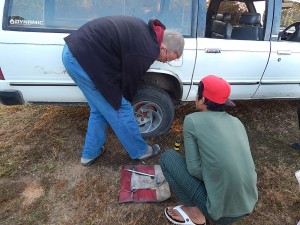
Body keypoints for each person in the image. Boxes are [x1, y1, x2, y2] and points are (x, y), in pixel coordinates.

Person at [62, 16, 184, 166]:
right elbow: (129, 82)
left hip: (75, 51)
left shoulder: (147, 33)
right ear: (164, 47)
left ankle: (90, 153)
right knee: (120, 107)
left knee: (100, 108)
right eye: (168, 58)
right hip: (82, 59)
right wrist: (122, 100)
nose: (165, 62)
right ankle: (141, 151)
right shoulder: (146, 50)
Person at [160, 75, 258, 225]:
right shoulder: (237, 122)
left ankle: (195, 213)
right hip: (247, 204)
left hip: (219, 213)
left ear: (203, 99)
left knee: (167, 158)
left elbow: (194, 169)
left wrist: (213, 176)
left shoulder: (192, 120)